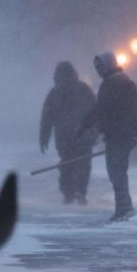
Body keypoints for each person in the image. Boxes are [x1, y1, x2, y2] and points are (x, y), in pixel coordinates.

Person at [80, 52, 137, 221]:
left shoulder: (111, 84)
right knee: (118, 170)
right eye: (97, 68)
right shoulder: (125, 81)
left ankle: (124, 207)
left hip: (117, 135)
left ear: (108, 65)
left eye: (100, 67)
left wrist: (86, 124)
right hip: (123, 134)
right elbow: (134, 110)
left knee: (116, 171)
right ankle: (124, 205)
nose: (99, 71)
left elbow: (101, 109)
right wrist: (132, 132)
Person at [39, 61, 96, 204]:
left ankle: (68, 193)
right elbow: (96, 111)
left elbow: (47, 117)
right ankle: (81, 191)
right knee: (84, 163)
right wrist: (97, 131)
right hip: (84, 134)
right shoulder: (84, 89)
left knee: (66, 163)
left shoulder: (55, 92)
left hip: (64, 136)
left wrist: (44, 137)